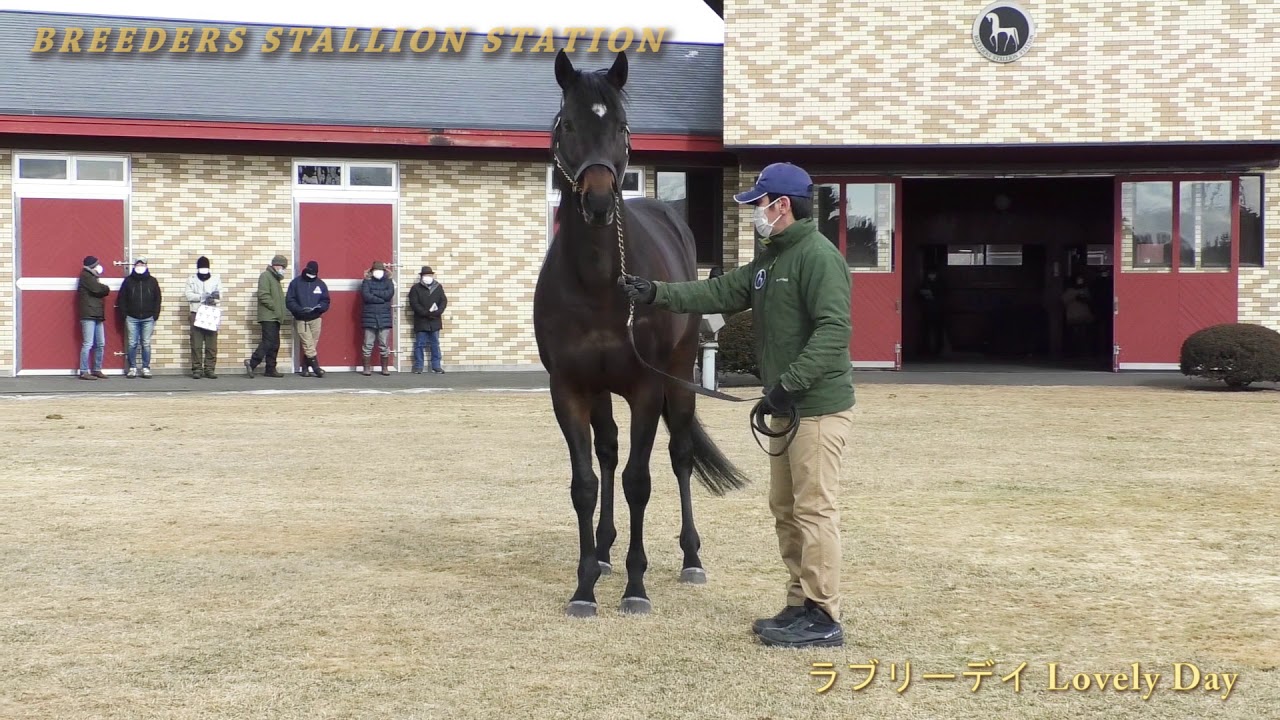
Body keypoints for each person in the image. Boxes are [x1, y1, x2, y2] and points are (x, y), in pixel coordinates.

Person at [619, 162, 855, 649]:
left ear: (781, 205)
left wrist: (788, 384)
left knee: (814, 509)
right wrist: (657, 293)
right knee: (786, 509)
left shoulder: (818, 257)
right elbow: (718, 291)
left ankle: (824, 613)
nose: (755, 214)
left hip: (816, 407)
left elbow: (834, 330)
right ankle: (799, 604)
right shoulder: (771, 260)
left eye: (758, 205)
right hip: (787, 407)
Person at [116, 257, 162, 378]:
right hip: (132, 317)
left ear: (146, 266)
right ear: (134, 266)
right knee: (132, 343)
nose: (140, 266)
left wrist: (155, 314)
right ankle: (132, 368)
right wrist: (125, 315)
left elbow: (158, 299)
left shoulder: (152, 281)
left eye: (142, 264)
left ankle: (146, 368)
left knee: (146, 343)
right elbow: (122, 299)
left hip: (148, 317)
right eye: (138, 264)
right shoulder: (128, 281)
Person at [245, 254, 289, 378]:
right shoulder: (266, 276)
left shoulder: (275, 279)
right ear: (277, 265)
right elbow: (263, 294)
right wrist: (275, 308)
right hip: (268, 316)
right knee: (268, 342)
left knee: (275, 344)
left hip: (275, 317)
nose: (283, 270)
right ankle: (252, 362)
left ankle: (270, 368)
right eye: (283, 267)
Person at [286, 260, 331, 378]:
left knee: (312, 344)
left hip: (316, 318)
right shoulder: (295, 283)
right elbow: (290, 300)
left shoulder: (320, 284)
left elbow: (325, 300)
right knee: (308, 343)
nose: (312, 275)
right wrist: (299, 310)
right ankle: (316, 368)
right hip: (301, 319)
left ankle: (305, 368)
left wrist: (320, 308)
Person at [184, 256, 221, 379]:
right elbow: (188, 295)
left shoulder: (216, 279)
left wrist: (213, 298)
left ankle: (209, 369)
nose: (203, 269)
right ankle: (197, 369)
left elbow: (219, 294)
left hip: (211, 312)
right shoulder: (192, 279)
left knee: (211, 343)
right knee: (196, 343)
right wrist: (201, 296)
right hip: (196, 312)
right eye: (201, 267)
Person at [408, 265, 448, 374]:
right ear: (421, 276)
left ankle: (436, 366)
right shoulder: (415, 288)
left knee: (435, 344)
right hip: (421, 320)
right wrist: (425, 313)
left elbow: (443, 301)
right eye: (426, 275)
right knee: (419, 344)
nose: (428, 277)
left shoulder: (438, 287)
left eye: (429, 275)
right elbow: (414, 304)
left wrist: (438, 312)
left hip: (435, 321)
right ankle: (418, 366)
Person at [76, 255, 110, 380]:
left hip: (97, 314)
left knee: (101, 343)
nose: (99, 266)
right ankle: (84, 370)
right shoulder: (86, 276)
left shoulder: (93, 277)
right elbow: (98, 290)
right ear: (92, 266)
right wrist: (106, 288)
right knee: (88, 343)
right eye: (96, 264)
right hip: (88, 314)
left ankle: (97, 369)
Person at [360, 260, 396, 376]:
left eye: (380, 270)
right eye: (376, 270)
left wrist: (375, 294)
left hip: (384, 317)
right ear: (372, 271)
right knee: (368, 344)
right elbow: (366, 296)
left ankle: (384, 368)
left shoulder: (389, 281)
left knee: (384, 344)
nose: (378, 272)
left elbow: (389, 294)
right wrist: (381, 300)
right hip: (369, 317)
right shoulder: (366, 281)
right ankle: (366, 368)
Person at [1061, 275, 1094, 358]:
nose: (1080, 282)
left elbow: (1090, 300)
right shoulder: (1069, 291)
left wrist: (1084, 299)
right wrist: (1075, 297)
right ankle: (1075, 352)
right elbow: (1064, 301)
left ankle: (1084, 351)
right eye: (1078, 280)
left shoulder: (1085, 290)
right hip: (1073, 316)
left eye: (1081, 280)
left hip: (1084, 316)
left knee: (1085, 334)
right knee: (1074, 335)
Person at [918, 268, 947, 357]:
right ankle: (926, 349)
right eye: (930, 274)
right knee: (926, 330)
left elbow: (944, 295)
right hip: (927, 310)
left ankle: (938, 349)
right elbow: (916, 294)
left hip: (938, 310)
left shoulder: (941, 284)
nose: (931, 276)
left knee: (938, 330)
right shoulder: (925, 283)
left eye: (933, 274)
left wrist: (933, 295)